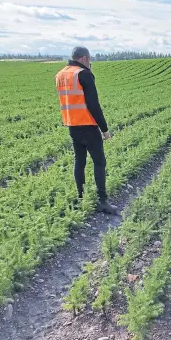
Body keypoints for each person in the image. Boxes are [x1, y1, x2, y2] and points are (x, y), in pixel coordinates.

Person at [55, 46, 117, 214]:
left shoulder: (60, 74)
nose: (90, 63)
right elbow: (93, 105)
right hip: (88, 125)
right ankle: (103, 201)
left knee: (79, 161)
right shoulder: (83, 74)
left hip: (72, 125)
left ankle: (81, 198)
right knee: (99, 162)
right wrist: (104, 129)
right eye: (89, 60)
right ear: (83, 59)